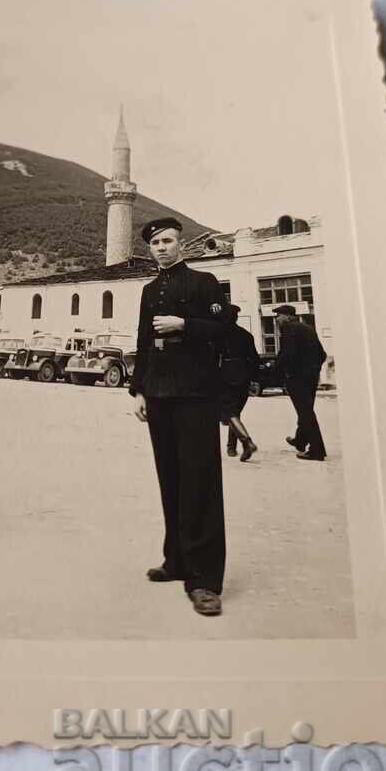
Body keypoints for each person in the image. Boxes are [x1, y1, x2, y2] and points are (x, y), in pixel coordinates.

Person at [130, 217, 230, 617]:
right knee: (170, 479)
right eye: (156, 243)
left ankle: (204, 580)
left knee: (200, 482)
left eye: (168, 240)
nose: (162, 247)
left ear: (181, 243)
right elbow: (142, 340)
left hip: (195, 395)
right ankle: (177, 561)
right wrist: (138, 389)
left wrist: (184, 324)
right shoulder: (149, 290)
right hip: (159, 395)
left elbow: (225, 330)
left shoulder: (204, 282)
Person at [272, 304, 328, 461]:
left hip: (297, 378)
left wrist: (276, 371)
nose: (276, 320)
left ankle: (317, 450)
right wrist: (313, 370)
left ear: (288, 316)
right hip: (311, 377)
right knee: (306, 409)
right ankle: (300, 440)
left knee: (306, 413)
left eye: (278, 316)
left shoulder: (288, 329)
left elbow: (287, 355)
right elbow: (322, 354)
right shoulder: (308, 328)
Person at [219, 304, 259, 461]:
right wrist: (254, 379)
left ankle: (246, 441)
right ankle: (232, 447)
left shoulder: (218, 334)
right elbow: (255, 359)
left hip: (226, 375)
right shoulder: (246, 335)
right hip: (244, 376)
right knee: (235, 411)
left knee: (228, 411)